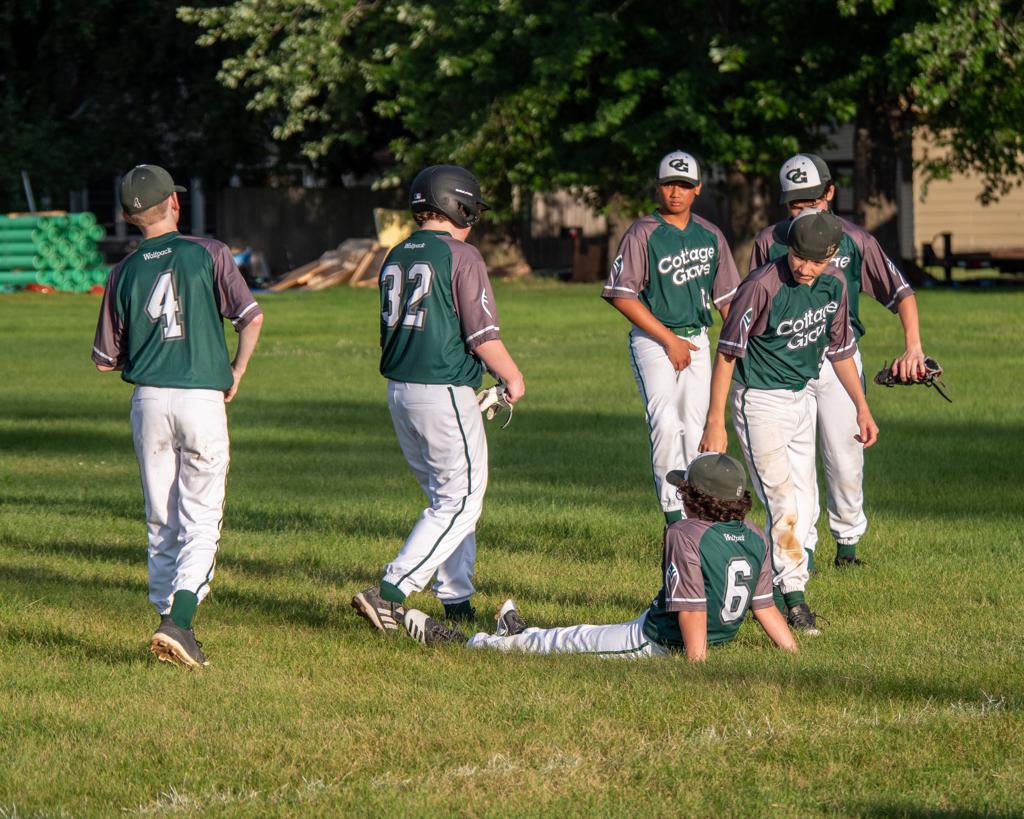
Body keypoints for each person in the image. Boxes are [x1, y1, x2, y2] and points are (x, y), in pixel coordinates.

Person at [92, 164, 264, 669]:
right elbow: (251, 318)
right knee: (201, 518)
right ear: (175, 204)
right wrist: (236, 369)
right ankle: (179, 623)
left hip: (148, 400)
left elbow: (105, 360)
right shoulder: (207, 252)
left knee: (161, 517)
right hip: (200, 398)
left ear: (127, 216)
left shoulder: (122, 271)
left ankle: (167, 621)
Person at [401, 453, 798, 660]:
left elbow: (692, 609)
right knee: (583, 632)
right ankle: (520, 633)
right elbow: (764, 605)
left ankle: (470, 644)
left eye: (685, 492)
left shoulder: (684, 533)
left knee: (574, 641)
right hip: (699, 637)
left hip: (659, 641)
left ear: (697, 499)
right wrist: (791, 651)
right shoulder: (754, 535)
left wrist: (696, 668)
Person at [351, 165, 525, 633]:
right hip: (443, 389)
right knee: (462, 499)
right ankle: (390, 592)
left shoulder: (394, 254)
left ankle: (457, 601)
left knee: (445, 499)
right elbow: (483, 335)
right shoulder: (461, 255)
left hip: (401, 392)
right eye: (472, 209)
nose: (475, 219)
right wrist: (511, 376)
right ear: (457, 205)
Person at [699, 209, 879, 634]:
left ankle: (778, 585)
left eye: (815, 260)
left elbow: (840, 350)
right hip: (759, 399)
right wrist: (715, 421)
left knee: (804, 498)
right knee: (783, 503)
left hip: (802, 397)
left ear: (832, 256)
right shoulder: (762, 285)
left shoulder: (834, 284)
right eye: (798, 256)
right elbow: (726, 353)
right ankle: (794, 602)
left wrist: (862, 407)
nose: (804, 266)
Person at [749, 153, 923, 568]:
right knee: (796, 464)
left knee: (846, 454)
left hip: (837, 360)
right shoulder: (769, 241)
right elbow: (753, 308)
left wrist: (913, 346)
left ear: (829, 192)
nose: (804, 208)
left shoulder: (854, 239)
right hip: (786, 362)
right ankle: (801, 552)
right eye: (794, 202)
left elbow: (900, 292)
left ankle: (847, 545)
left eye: (812, 198)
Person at [602, 150, 741, 524]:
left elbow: (728, 301)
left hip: (698, 338)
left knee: (697, 427)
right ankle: (673, 516)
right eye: (668, 185)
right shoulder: (643, 233)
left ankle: (699, 511)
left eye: (683, 185)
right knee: (665, 422)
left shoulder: (711, 235)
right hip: (653, 340)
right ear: (658, 188)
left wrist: (738, 348)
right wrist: (668, 340)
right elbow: (621, 294)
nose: (674, 192)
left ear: (697, 188)